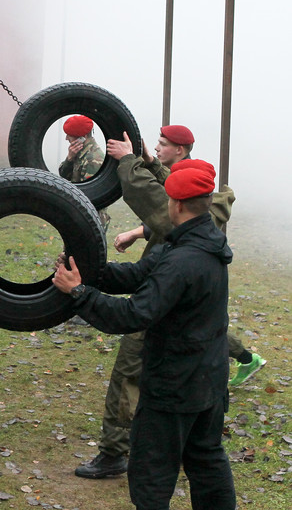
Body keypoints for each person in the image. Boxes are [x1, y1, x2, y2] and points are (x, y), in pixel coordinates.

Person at [74, 125, 261, 479]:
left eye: (164, 144)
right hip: (194, 350)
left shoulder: (184, 242)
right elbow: (167, 196)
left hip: (171, 331)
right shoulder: (200, 207)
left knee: (130, 376)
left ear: (182, 149)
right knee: (205, 450)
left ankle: (115, 451)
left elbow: (158, 206)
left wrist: (129, 162)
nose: (157, 148)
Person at [53, 165, 236, 510]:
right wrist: (92, 273)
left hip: (174, 387)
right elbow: (140, 274)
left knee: (151, 474)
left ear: (177, 204)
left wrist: (80, 294)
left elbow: (134, 314)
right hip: (208, 380)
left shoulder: (183, 259)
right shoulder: (199, 241)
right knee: (207, 460)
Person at [58, 114, 110, 230]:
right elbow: (63, 176)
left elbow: (90, 195)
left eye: (70, 135)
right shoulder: (79, 153)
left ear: (82, 137)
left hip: (90, 220)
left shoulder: (93, 159)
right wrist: (69, 159)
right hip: (79, 214)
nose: (67, 138)